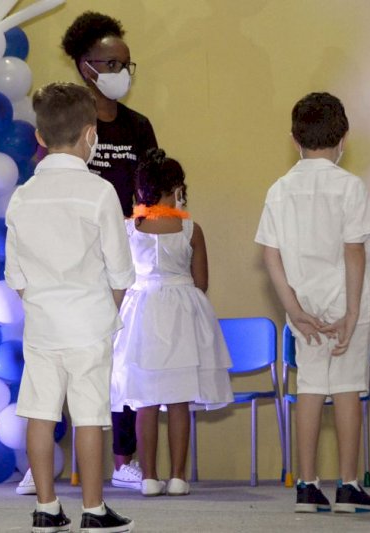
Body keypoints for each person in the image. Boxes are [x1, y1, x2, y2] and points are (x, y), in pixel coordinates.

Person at [5, 82, 135, 533]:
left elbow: (16, 276)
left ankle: (46, 507)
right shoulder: (99, 193)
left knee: (39, 413)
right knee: (90, 417)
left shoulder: (22, 196)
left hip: (42, 326)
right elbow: (121, 272)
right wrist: (107, 311)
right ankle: (95, 510)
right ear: (90, 135)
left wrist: (44, 304)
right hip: (89, 324)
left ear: (39, 137)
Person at [255, 92, 370, 513]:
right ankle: (348, 485)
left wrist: (291, 307)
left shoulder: (280, 189)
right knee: (347, 390)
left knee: (309, 390)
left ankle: (306, 486)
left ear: (295, 139)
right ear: (343, 137)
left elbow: (270, 254)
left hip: (304, 308)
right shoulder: (350, 186)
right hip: (349, 306)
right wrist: (349, 314)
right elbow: (354, 251)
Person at [116, 148, 233, 497]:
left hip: (142, 314)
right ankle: (179, 476)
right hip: (182, 314)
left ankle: (149, 477)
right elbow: (202, 282)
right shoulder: (191, 229)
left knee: (146, 400)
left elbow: (121, 278)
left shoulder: (128, 229)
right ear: (177, 187)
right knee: (180, 400)